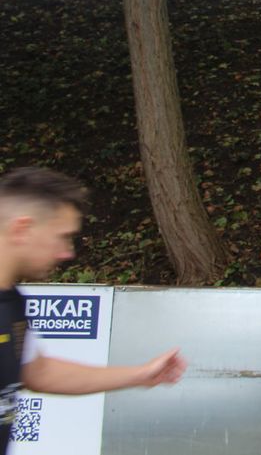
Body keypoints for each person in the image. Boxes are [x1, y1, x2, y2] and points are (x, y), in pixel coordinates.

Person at [0, 168, 186, 451]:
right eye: (62, 237)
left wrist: (141, 374)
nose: (68, 252)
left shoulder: (13, 302)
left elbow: (40, 372)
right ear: (22, 229)